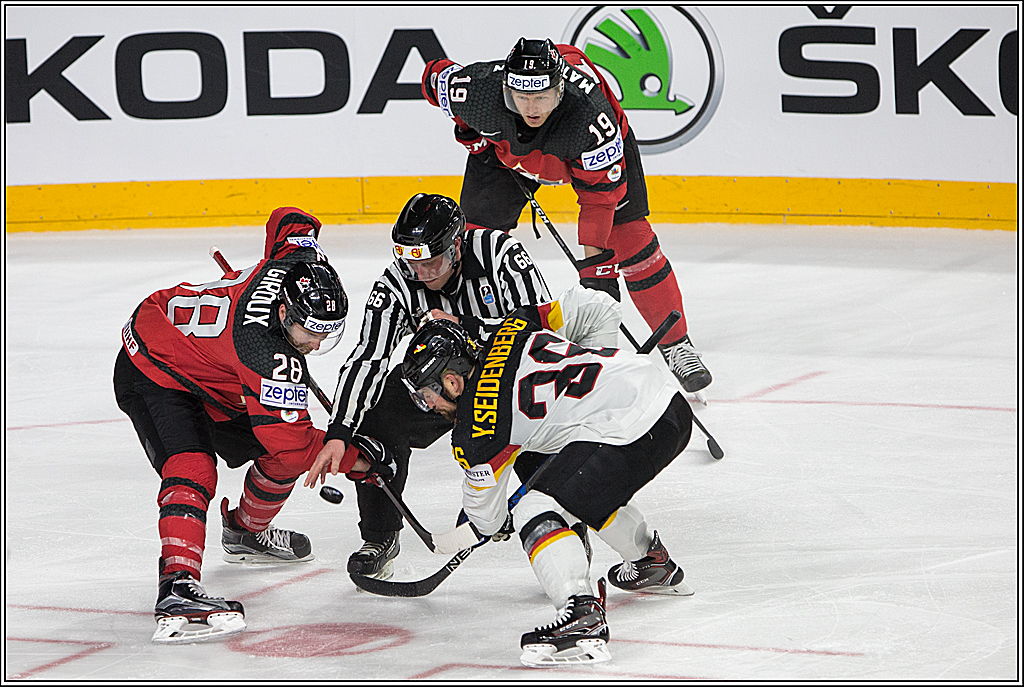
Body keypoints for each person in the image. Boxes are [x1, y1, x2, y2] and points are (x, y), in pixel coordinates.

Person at [114, 207, 381, 644]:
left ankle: (244, 532)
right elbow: (295, 444)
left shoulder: (299, 266)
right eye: (308, 334)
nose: (315, 345)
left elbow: (289, 219)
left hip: (214, 375)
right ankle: (177, 584)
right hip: (153, 365)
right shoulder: (265, 353)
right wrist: (356, 459)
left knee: (276, 454)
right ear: (282, 313)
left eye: (325, 334)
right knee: (194, 466)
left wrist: (301, 252)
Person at [400, 298, 695, 666]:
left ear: (452, 381)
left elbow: (487, 520)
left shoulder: (475, 430)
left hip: (631, 428)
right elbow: (598, 305)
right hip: (668, 403)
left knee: (534, 509)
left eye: (427, 398)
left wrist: (477, 529)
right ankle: (650, 562)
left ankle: (581, 613)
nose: (430, 408)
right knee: (580, 488)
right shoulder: (510, 328)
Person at [420, 37, 713, 396]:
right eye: (521, 97)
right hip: (508, 155)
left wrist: (596, 270)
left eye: (541, 97)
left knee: (631, 242)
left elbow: (598, 202)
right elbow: (434, 75)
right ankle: (471, 347)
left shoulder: (592, 119)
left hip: (589, 157)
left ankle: (676, 344)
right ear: (505, 88)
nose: (531, 107)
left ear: (560, 90)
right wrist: (472, 134)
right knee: (472, 246)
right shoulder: (479, 90)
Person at [303, 193, 552, 580]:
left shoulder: (499, 252)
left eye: (429, 261)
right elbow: (368, 358)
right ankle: (380, 535)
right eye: (410, 259)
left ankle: (563, 530)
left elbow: (542, 327)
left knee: (540, 431)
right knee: (373, 418)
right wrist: (339, 431)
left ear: (456, 245)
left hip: (509, 381)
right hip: (443, 392)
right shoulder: (398, 282)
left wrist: (464, 325)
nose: (419, 271)